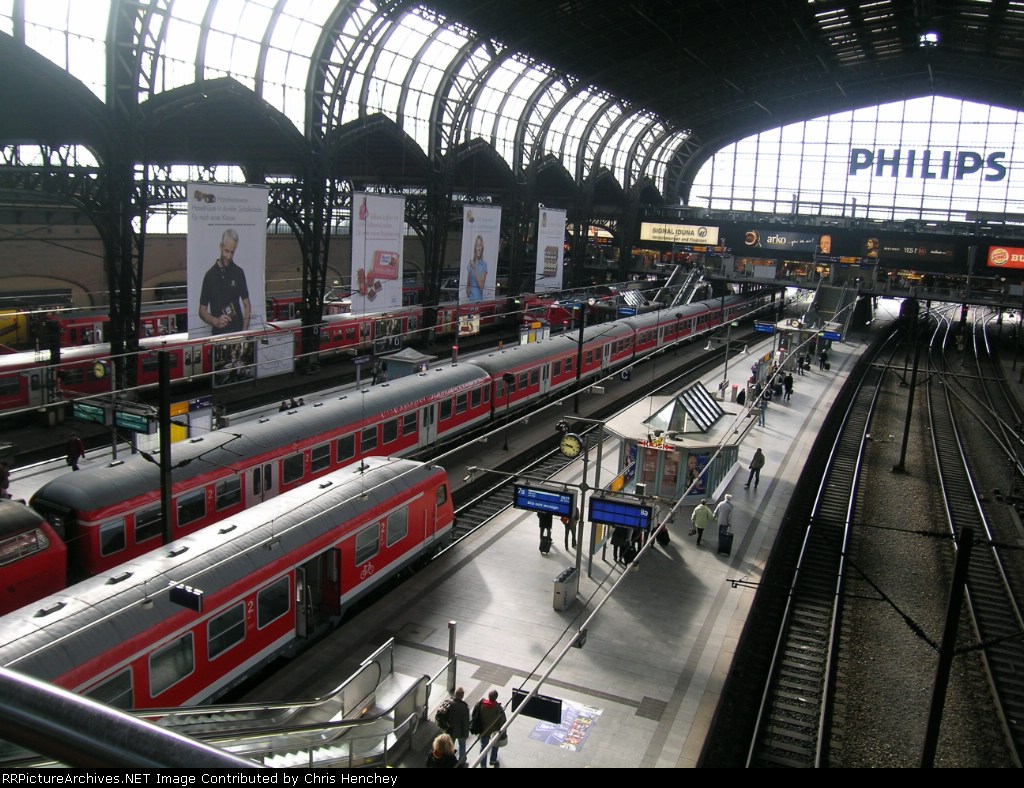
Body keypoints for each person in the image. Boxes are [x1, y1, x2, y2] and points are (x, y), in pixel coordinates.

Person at [198, 228, 251, 335]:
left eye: (232, 252)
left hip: (237, 332)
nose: (229, 256)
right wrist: (215, 321)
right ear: (220, 247)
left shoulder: (239, 273)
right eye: (226, 251)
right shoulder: (209, 276)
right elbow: (202, 311)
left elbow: (247, 305)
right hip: (218, 335)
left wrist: (244, 331)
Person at [477, 689, 507, 768]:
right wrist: (503, 733)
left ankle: (483, 765)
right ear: (496, 697)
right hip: (494, 732)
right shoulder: (498, 708)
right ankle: (493, 760)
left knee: (483, 748)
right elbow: (502, 721)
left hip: (484, 730)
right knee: (495, 746)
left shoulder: (482, 705)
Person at [449, 687, 471, 766]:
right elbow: (466, 723)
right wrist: (466, 734)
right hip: (461, 731)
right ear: (462, 696)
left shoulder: (450, 704)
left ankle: (449, 760)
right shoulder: (464, 707)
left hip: (451, 730)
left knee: (450, 746)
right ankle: (461, 762)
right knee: (462, 746)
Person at [465, 234, 488, 302]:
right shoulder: (470, 265)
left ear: (482, 247)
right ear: (475, 247)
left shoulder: (484, 265)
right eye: (477, 245)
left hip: (479, 302)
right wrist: (469, 293)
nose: (479, 248)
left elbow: (481, 286)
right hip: (470, 302)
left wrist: (475, 268)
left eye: (480, 245)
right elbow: (468, 285)